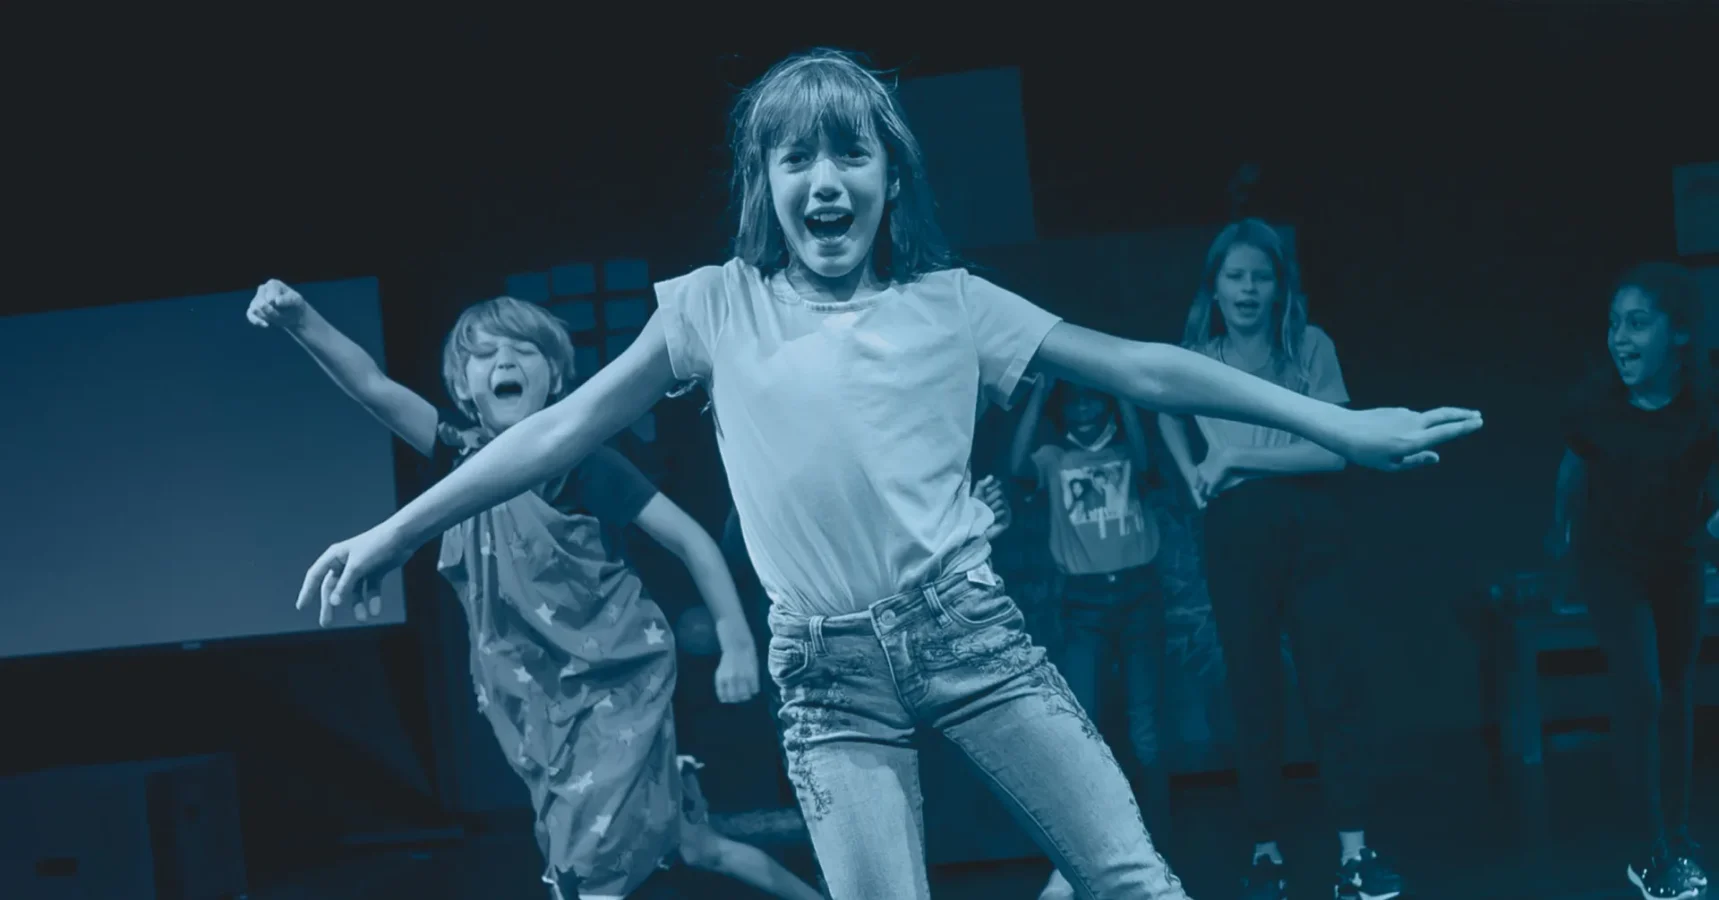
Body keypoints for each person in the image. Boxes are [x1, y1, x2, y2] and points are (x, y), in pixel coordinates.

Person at [291, 50, 1481, 900]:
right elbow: (550, 436)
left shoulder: (950, 304)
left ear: (889, 180)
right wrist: (396, 532)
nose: (825, 181)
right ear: (764, 185)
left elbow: (1141, 366)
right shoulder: (714, 307)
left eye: (849, 154)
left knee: (1132, 880)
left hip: (969, 634)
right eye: (795, 158)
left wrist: (1341, 427)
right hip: (826, 672)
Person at [247, 285, 820, 900]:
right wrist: (302, 320)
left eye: (524, 350)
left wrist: (736, 640)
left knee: (587, 864)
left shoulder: (582, 462)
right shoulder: (459, 461)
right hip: (536, 701)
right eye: (486, 353)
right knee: (694, 845)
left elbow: (689, 539)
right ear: (462, 386)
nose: (505, 361)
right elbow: (372, 386)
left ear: (557, 377)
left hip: (613, 687)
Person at [1157, 219, 1402, 900]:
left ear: (1278, 286)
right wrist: (1192, 472)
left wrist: (1234, 455)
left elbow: (1333, 450)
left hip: (1311, 526)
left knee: (1332, 686)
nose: (1247, 289)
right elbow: (1159, 407)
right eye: (1234, 276)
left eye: (1259, 277)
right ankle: (1265, 849)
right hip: (1235, 532)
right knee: (1252, 691)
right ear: (1214, 286)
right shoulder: (1197, 357)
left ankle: (1354, 851)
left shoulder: (1309, 347)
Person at [1548, 261, 1714, 900]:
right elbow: (1570, 474)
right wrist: (1558, 541)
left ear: (1680, 333)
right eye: (1615, 323)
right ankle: (1648, 853)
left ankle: (1676, 834)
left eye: (1638, 323)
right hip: (1611, 564)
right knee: (1641, 691)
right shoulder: (1594, 404)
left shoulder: (1704, 404)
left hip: (1678, 563)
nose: (1620, 338)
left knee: (1676, 694)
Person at [1010, 377, 1171, 900]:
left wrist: (1119, 386)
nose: (1083, 406)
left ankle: (1157, 854)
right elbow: (1015, 467)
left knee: (1147, 734)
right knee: (1084, 729)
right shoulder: (1054, 457)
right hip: (1083, 602)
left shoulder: (1128, 449)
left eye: (1092, 396)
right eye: (1073, 399)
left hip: (1139, 594)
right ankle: (1085, 857)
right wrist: (1039, 392)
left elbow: (1146, 463)